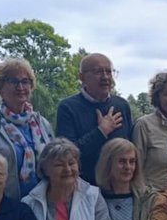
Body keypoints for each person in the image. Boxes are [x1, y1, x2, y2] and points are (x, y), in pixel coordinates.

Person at [0, 57, 54, 200]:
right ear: (1, 88)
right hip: (5, 209)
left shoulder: (42, 124)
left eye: (25, 82)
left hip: (43, 206)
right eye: (13, 81)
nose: (20, 87)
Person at [56, 52, 132, 184]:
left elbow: (131, 149)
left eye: (109, 72)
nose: (105, 77)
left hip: (119, 189)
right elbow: (67, 156)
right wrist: (101, 132)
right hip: (84, 189)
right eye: (98, 72)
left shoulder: (122, 105)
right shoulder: (68, 108)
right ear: (82, 77)